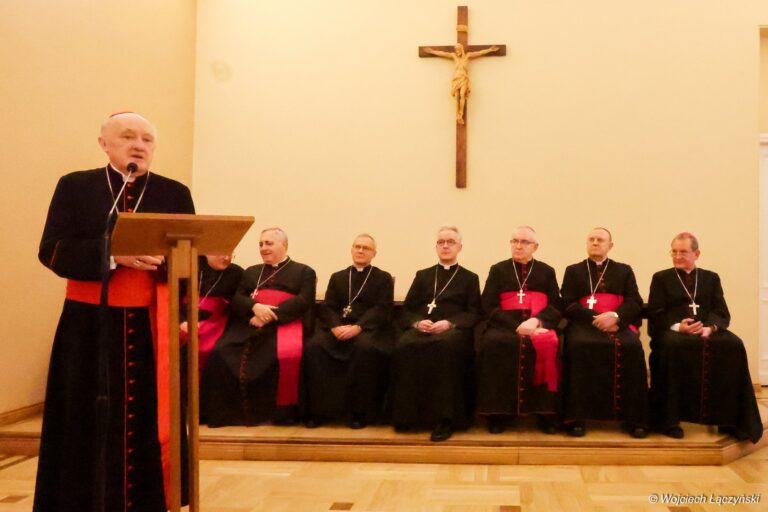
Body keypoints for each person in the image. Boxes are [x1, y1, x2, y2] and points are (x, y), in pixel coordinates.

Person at [35, 112, 195, 511]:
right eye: (127, 136)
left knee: (149, 418)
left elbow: (194, 257)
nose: (139, 145)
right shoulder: (76, 186)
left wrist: (174, 276)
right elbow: (52, 250)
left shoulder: (175, 193)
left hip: (151, 325)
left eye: (147, 139)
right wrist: (111, 254)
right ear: (104, 144)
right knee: (84, 419)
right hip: (88, 327)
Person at [648, 232, 763, 442]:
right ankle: (669, 421)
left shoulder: (711, 278)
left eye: (683, 252)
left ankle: (729, 420)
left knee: (733, 344)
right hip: (675, 333)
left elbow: (720, 310)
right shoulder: (661, 278)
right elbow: (656, 312)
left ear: (697, 253)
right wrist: (679, 327)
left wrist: (710, 328)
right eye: (674, 252)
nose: (677, 256)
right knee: (672, 347)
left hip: (706, 330)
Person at [200, 228, 316, 426]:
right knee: (220, 350)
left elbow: (304, 300)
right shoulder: (251, 271)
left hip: (283, 324)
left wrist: (269, 316)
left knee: (285, 355)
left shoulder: (304, 271)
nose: (263, 248)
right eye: (261, 244)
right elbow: (237, 298)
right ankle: (226, 413)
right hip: (249, 322)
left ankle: (282, 414)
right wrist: (254, 307)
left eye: (269, 243)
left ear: (284, 245)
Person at [390, 226, 481, 442]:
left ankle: (445, 419)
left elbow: (474, 312)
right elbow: (408, 309)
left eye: (450, 242)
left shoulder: (469, 278)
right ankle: (407, 416)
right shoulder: (423, 275)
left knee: (444, 348)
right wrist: (417, 322)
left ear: (460, 247)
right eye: (441, 242)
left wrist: (449, 323)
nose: (445, 246)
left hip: (453, 332)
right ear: (436, 246)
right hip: (422, 329)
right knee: (404, 345)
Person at [560, 228, 649, 438]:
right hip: (584, 324)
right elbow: (568, 303)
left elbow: (634, 301)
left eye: (600, 240)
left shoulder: (624, 270)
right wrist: (596, 318)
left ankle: (635, 418)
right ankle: (577, 417)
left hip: (617, 323)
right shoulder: (573, 270)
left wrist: (615, 317)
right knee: (578, 346)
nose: (595, 243)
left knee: (632, 347)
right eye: (591, 239)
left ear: (610, 245)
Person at [476, 226, 562, 434]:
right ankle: (498, 414)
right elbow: (488, 305)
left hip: (537, 325)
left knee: (551, 345)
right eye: (514, 241)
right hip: (505, 326)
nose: (518, 246)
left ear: (535, 247)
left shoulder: (546, 271)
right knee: (494, 344)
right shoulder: (498, 270)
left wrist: (537, 321)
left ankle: (544, 413)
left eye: (524, 242)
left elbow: (556, 305)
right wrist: (515, 325)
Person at [303, 234, 394, 429]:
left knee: (365, 349)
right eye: (357, 246)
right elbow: (328, 306)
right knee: (314, 347)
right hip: (339, 327)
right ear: (351, 250)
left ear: (374, 253)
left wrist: (359, 327)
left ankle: (359, 413)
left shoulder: (383, 278)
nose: (360, 250)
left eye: (366, 248)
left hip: (367, 329)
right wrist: (335, 326)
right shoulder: (338, 277)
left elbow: (382, 308)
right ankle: (319, 411)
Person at [180, 254, 244, 374]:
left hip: (217, 326)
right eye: (222, 253)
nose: (227, 258)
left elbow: (239, 305)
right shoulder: (187, 267)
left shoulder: (237, 273)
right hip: (182, 322)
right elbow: (172, 299)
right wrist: (181, 321)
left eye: (230, 253)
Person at [422, 43, 499, 124]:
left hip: (464, 78)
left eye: (458, 49)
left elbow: (479, 53)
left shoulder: (468, 56)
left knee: (462, 94)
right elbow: (443, 53)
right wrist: (432, 51)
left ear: (461, 49)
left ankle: (461, 113)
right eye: (456, 50)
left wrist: (490, 50)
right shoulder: (454, 56)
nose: (457, 51)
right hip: (456, 78)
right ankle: (457, 115)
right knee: (457, 97)